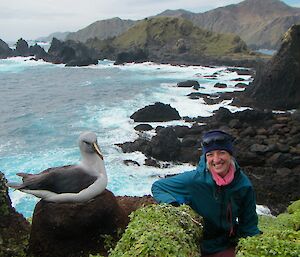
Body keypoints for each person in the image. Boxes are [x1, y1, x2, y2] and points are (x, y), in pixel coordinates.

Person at [151, 130, 261, 257]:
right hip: (201, 246)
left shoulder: (243, 185)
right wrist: (175, 205)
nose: (216, 159)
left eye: (222, 152)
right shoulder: (194, 180)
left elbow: (249, 225)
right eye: (210, 154)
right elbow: (158, 186)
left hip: (228, 244)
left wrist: (253, 247)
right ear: (205, 157)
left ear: (230, 155)